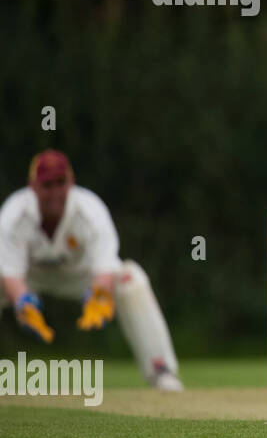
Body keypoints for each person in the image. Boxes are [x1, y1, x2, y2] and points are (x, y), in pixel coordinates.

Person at [0, 150, 183, 391]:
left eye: (60, 183)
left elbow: (104, 263)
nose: (55, 192)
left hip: (81, 276)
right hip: (27, 277)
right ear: (32, 186)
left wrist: (99, 294)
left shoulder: (90, 209)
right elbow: (9, 270)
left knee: (131, 279)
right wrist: (23, 303)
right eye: (47, 185)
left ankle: (161, 370)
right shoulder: (14, 213)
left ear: (71, 182)